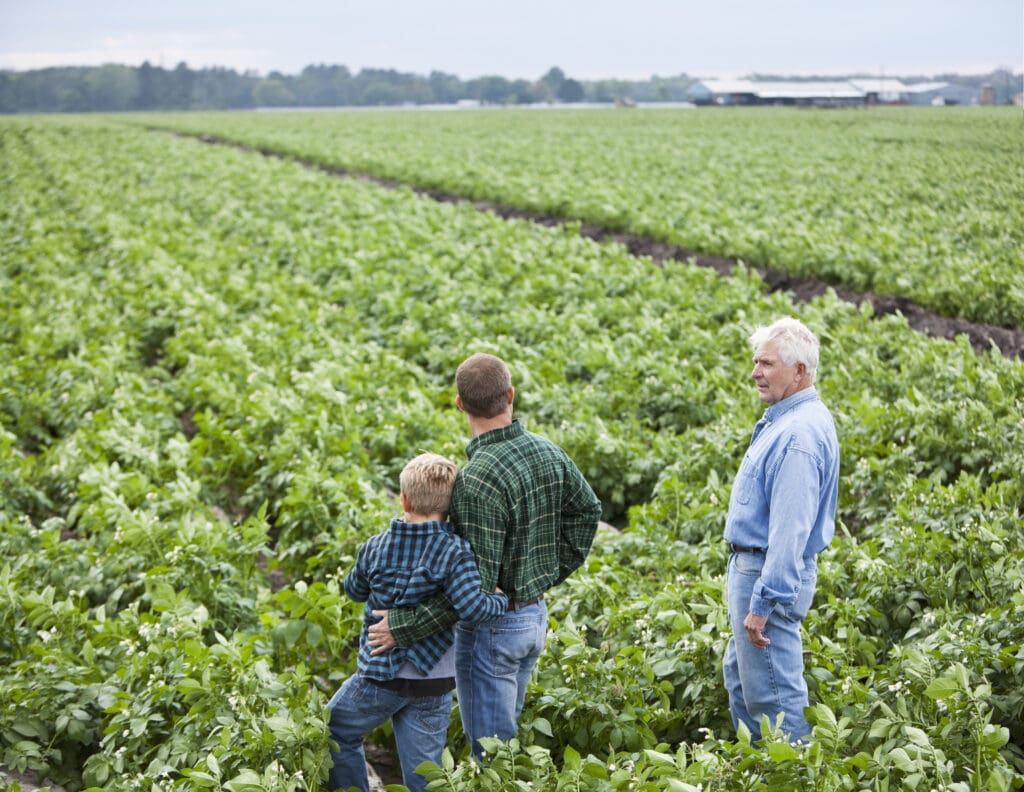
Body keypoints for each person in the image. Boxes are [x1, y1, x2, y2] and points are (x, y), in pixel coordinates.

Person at [367, 353, 602, 757]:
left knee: (492, 755)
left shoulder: (475, 481)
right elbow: (588, 512)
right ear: (510, 395)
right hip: (533, 619)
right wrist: (544, 574)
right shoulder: (548, 451)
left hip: (495, 630)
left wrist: (402, 626)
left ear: (459, 404)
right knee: (504, 747)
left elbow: (472, 595)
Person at [327, 452, 509, 792]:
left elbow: (353, 590)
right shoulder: (456, 550)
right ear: (450, 505)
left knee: (334, 729)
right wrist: (501, 598)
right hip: (434, 680)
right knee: (424, 771)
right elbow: (473, 607)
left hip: (381, 675)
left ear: (404, 499)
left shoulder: (376, 546)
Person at [722, 317, 840, 743]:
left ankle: (793, 775)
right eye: (756, 362)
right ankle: (758, 773)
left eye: (766, 363)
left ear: (799, 371)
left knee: (775, 702)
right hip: (753, 569)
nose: (756, 372)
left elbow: (790, 531)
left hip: (765, 575)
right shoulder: (788, 419)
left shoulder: (798, 436)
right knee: (744, 685)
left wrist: (764, 601)